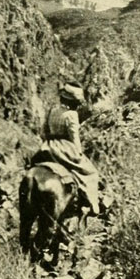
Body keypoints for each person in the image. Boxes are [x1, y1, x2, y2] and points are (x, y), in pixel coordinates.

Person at [32, 82, 99, 215]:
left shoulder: (53, 111)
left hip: (48, 146)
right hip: (65, 147)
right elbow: (74, 137)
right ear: (74, 101)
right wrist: (78, 153)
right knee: (90, 172)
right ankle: (92, 204)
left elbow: (44, 130)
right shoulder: (72, 114)